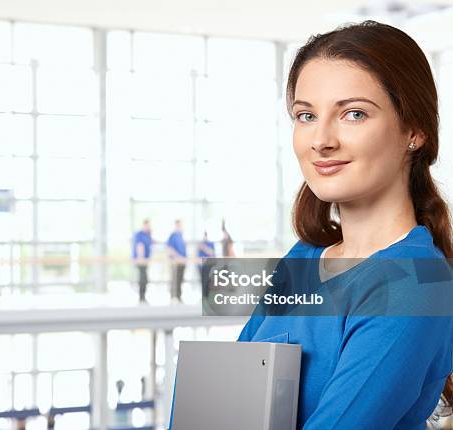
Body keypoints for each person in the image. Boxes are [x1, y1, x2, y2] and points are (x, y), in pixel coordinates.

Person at [169, 21, 453, 429]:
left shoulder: (413, 284)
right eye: (306, 115)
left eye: (353, 114)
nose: (321, 140)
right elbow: (222, 409)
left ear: (415, 131)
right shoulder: (303, 257)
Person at [132, 219, 153, 303]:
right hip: (141, 260)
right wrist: (141, 258)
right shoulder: (140, 234)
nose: (148, 227)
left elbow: (151, 244)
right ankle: (141, 297)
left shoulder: (148, 235)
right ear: (144, 225)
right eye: (147, 225)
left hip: (146, 260)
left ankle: (143, 297)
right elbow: (139, 246)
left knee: (144, 278)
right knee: (143, 278)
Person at [166, 220, 187, 303]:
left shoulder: (181, 236)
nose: (180, 227)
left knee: (180, 279)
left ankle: (179, 296)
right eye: (179, 225)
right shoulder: (173, 235)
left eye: (181, 225)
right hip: (176, 261)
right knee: (175, 279)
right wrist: (178, 256)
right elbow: (169, 248)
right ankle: (174, 296)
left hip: (183, 261)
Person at [197, 231, 215, 299]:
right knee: (202, 281)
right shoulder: (200, 244)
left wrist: (204, 248)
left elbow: (212, 253)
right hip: (201, 265)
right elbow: (198, 256)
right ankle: (203, 296)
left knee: (207, 280)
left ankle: (207, 296)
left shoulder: (210, 243)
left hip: (208, 265)